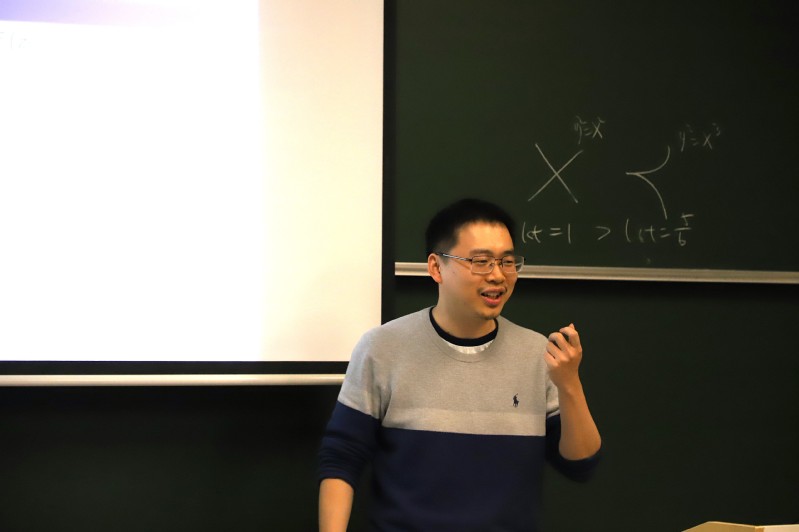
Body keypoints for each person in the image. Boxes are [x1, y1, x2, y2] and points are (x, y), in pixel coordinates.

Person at [318, 198, 601, 531]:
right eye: (481, 262)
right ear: (436, 268)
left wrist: (569, 384)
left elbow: (581, 465)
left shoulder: (537, 353)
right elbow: (341, 457)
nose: (498, 275)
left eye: (507, 262)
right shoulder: (382, 348)